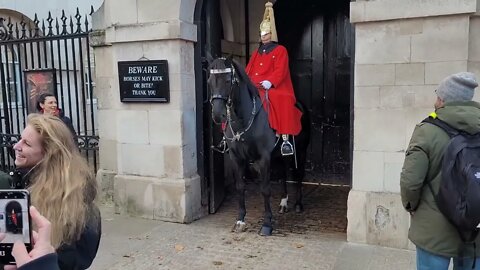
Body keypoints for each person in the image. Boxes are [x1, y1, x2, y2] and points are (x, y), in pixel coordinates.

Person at [400, 72, 480, 269]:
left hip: (434, 229)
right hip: (474, 226)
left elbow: (411, 180)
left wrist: (410, 205)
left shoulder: (427, 130)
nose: (435, 100)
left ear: (444, 99)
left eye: (438, 95)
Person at [0, 114, 101, 270]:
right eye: (20, 139)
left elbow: (75, 261)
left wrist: (39, 259)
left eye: (26, 143)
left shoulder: (80, 206)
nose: (16, 146)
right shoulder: (18, 183)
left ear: (48, 154)